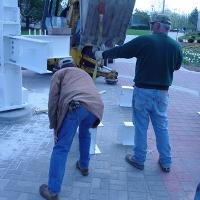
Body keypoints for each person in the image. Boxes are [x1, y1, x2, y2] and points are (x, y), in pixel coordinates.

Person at [95, 14, 183, 173]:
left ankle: (139, 159)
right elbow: (176, 67)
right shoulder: (176, 46)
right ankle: (166, 161)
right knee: (162, 127)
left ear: (157, 26)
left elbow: (122, 51)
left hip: (143, 92)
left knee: (141, 127)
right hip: (162, 94)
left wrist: (102, 54)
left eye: (152, 24)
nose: (151, 27)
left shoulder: (145, 41)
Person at [39, 66, 104, 200]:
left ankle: (52, 190)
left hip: (76, 106)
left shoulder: (59, 74)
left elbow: (53, 102)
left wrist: (54, 126)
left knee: (61, 148)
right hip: (95, 107)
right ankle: (84, 166)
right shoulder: (83, 72)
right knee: (85, 134)